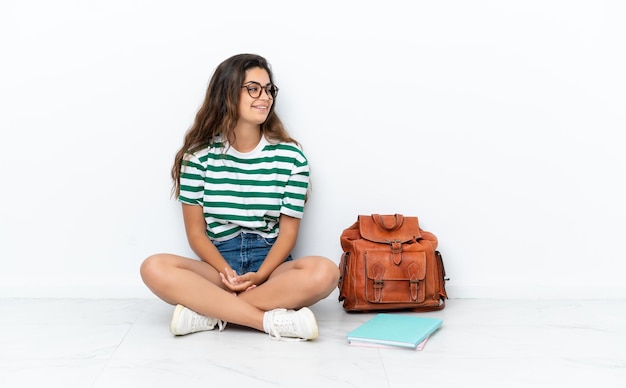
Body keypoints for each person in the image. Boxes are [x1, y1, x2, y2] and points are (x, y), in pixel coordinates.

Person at [140, 53, 340, 341]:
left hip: (271, 269)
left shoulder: (291, 158)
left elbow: (287, 235)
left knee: (325, 272)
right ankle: (267, 321)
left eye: (269, 89)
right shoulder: (197, 157)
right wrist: (227, 274)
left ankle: (209, 314)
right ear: (227, 94)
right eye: (253, 88)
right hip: (219, 268)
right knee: (154, 267)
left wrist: (260, 277)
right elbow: (196, 234)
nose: (265, 97)